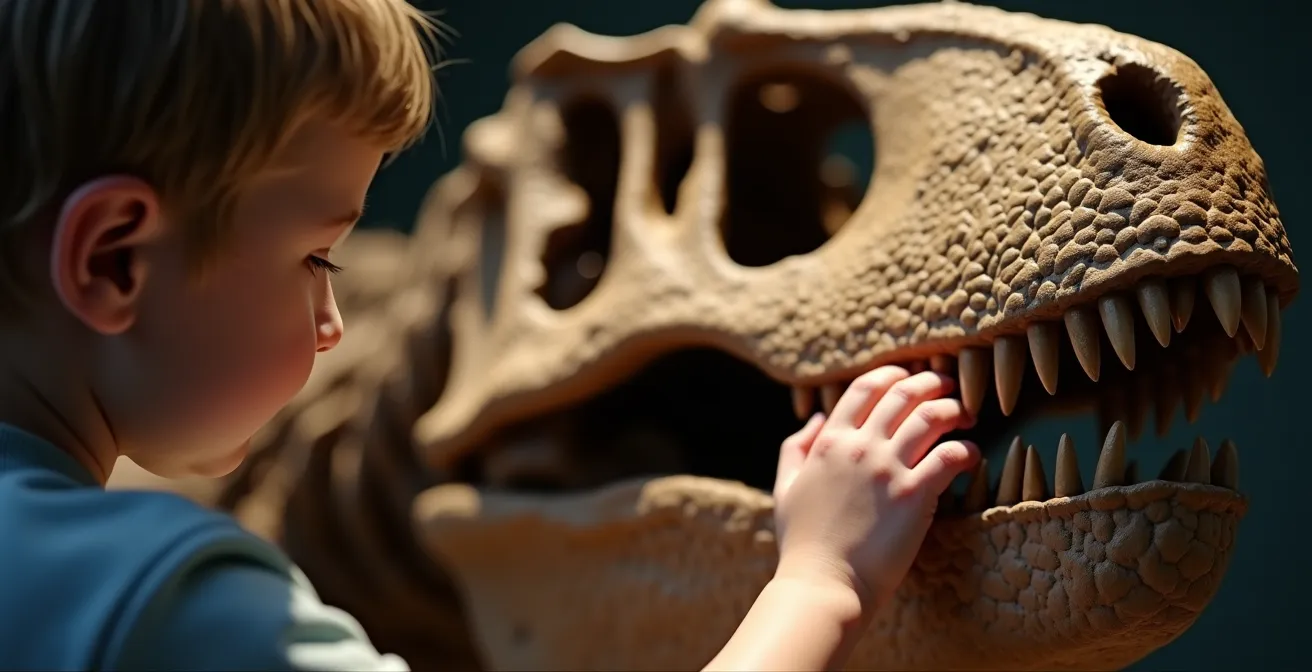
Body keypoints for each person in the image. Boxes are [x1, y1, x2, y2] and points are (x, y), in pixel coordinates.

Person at [0, 1, 980, 670]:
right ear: (114, 260)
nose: (331, 323)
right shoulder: (172, 605)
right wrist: (823, 580)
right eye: (315, 259)